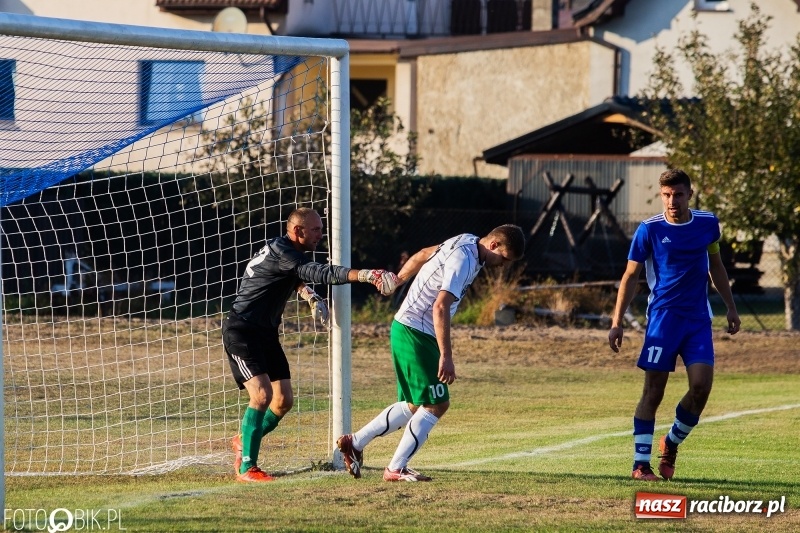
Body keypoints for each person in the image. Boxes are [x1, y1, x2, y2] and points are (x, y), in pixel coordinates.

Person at [336, 224, 526, 481]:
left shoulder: (467, 240)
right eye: (503, 258)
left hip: (410, 329)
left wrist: (399, 279)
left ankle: (355, 442)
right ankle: (395, 468)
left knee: (416, 404)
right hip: (416, 331)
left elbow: (425, 252)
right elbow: (440, 306)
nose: (503, 265)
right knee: (437, 404)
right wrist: (445, 356)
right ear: (493, 245)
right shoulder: (464, 260)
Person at [224, 207, 397, 482]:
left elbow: (290, 276)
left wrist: (310, 295)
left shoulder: (284, 250)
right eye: (315, 229)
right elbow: (319, 272)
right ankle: (247, 467)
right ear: (298, 231)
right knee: (261, 396)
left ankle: (243, 438)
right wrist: (366, 275)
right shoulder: (287, 253)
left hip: (266, 333)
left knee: (283, 402)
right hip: (242, 331)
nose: (321, 234)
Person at [607, 169, 740, 482]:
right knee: (653, 392)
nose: (672, 201)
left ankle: (671, 442)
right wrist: (616, 323)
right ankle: (641, 465)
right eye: (666, 195)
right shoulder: (649, 230)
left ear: (689, 194)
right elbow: (630, 277)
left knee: (701, 387)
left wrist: (731, 307)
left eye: (678, 194)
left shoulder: (708, 224)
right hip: (662, 321)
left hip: (697, 320)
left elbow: (716, 266)